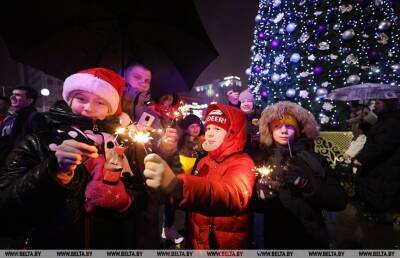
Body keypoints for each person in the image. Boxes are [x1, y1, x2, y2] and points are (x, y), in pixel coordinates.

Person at [0, 68, 146, 249]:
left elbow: (139, 196)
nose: (89, 108)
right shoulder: (38, 141)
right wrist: (52, 171)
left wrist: (123, 201)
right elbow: (6, 209)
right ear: (70, 100)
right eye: (81, 99)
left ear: (110, 110)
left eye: (100, 102)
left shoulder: (120, 146)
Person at [144, 103, 256, 249]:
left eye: (217, 129)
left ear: (232, 133)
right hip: (198, 242)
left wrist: (179, 187)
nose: (209, 133)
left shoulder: (243, 162)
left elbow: (233, 195)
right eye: (208, 127)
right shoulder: (204, 160)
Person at [252, 101, 347, 249]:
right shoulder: (263, 160)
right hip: (277, 239)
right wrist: (261, 197)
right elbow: (254, 205)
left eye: (289, 126)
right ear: (270, 130)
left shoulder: (314, 159)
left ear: (298, 129)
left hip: (310, 237)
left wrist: (307, 184)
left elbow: (338, 200)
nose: (284, 131)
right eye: (277, 126)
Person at [353, 98, 400, 223]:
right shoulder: (385, 120)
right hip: (379, 169)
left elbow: (382, 145)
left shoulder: (392, 122)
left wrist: (361, 159)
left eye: (378, 103)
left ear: (388, 104)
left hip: (385, 169)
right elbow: (376, 136)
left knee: (382, 205)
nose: (374, 106)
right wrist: (364, 124)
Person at [0, 86, 47, 168]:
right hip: (9, 163)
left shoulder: (35, 117)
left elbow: (40, 143)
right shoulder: (12, 118)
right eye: (12, 94)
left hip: (23, 165)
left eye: (18, 95)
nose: (12, 97)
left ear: (30, 100)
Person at [238, 89, 261, 154]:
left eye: (249, 101)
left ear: (253, 103)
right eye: (243, 102)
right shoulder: (236, 118)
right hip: (241, 155)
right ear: (240, 104)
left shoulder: (260, 116)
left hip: (258, 154)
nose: (246, 104)